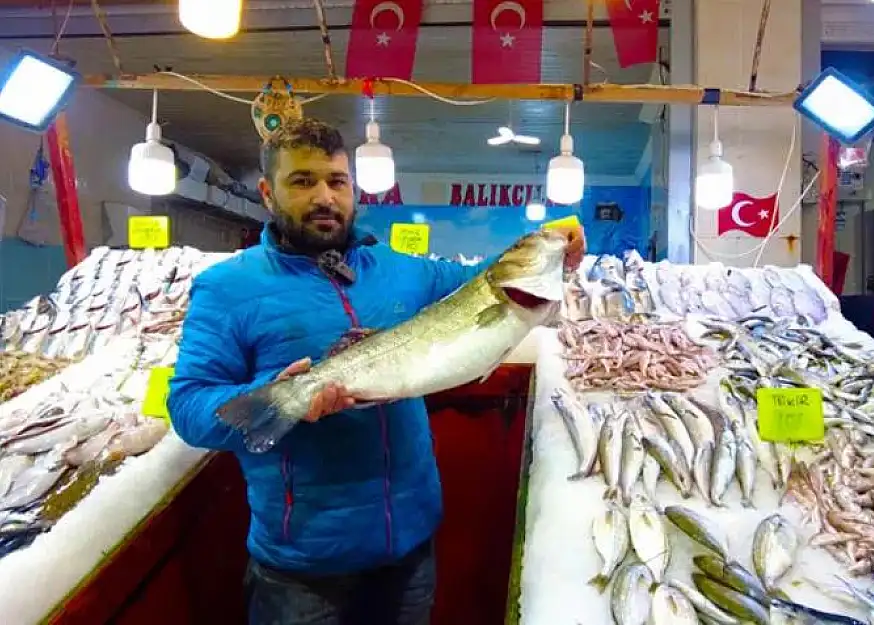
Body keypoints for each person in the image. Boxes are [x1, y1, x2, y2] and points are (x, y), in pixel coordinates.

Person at [167, 118, 586, 625]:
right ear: (267, 192)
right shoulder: (226, 287)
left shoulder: (403, 270)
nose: (324, 196)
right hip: (303, 570)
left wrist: (548, 250)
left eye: (337, 181)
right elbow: (189, 407)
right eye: (303, 181)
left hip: (408, 550)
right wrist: (279, 394)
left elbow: (487, 284)